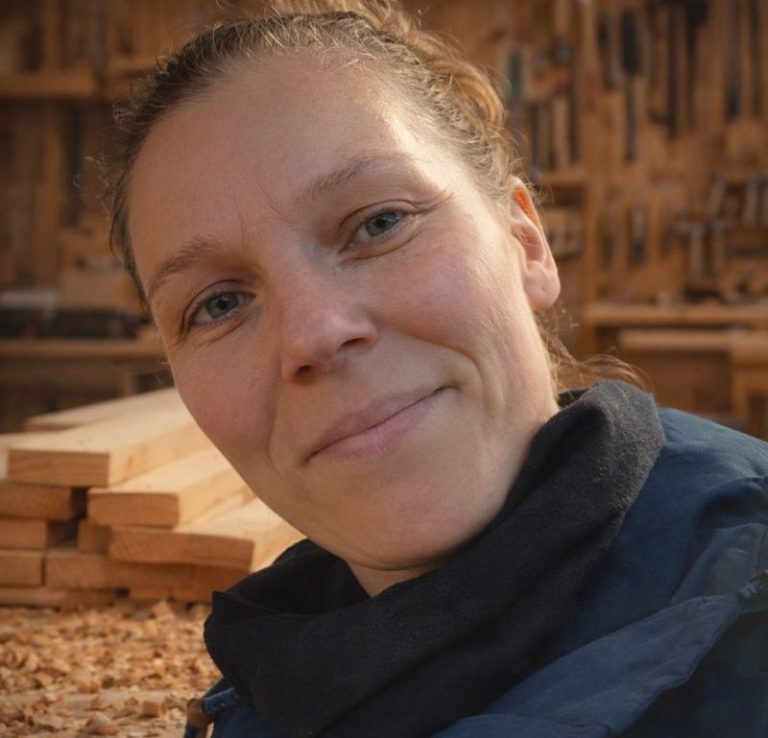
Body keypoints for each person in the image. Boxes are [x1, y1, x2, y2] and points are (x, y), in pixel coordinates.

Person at [106, 1, 768, 735]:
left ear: (525, 242)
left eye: (379, 223)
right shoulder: (268, 686)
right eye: (220, 304)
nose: (314, 334)